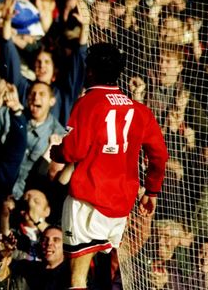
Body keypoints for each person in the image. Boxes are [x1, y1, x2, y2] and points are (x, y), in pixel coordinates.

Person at [50, 42, 169, 290]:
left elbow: (73, 150)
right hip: (120, 207)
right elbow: (159, 155)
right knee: (106, 275)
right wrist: (152, 191)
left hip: (88, 200)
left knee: (78, 278)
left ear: (90, 71)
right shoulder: (140, 111)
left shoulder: (89, 102)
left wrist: (57, 151)